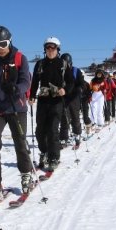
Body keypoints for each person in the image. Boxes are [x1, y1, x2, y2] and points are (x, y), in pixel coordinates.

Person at [0, 26, 33, 203]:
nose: (0, 48)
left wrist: (17, 89)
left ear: (9, 41)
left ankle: (26, 173)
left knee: (19, 141)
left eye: (3, 44)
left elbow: (26, 81)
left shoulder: (20, 58)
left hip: (16, 107)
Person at [29, 37, 74, 171]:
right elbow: (35, 82)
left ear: (57, 49)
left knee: (53, 130)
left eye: (52, 47)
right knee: (39, 131)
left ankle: (54, 158)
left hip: (57, 102)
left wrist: (64, 90)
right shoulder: (40, 64)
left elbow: (71, 82)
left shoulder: (63, 64)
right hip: (43, 101)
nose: (50, 50)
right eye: (47, 48)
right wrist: (31, 96)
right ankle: (44, 152)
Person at [58, 52, 85, 148]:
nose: (65, 65)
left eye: (66, 63)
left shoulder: (76, 71)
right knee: (64, 119)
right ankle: (63, 138)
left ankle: (77, 134)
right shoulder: (59, 72)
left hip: (74, 98)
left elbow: (82, 84)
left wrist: (80, 89)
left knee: (75, 117)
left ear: (70, 63)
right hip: (63, 98)